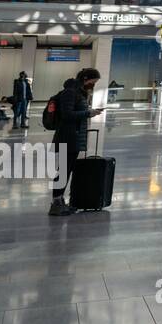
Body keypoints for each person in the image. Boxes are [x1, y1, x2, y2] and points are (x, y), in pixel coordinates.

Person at [49, 68, 105, 216]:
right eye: (93, 82)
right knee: (63, 171)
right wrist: (88, 113)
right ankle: (56, 203)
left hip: (74, 137)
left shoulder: (79, 92)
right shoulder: (70, 92)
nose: (93, 85)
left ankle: (60, 201)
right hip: (67, 137)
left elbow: (75, 111)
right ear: (86, 79)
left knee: (66, 170)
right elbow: (67, 115)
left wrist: (90, 111)